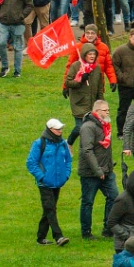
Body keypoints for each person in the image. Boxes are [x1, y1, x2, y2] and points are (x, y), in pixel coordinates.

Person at [26, 118, 72, 247]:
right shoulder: (39, 143)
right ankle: (58, 236)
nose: (60, 131)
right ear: (50, 129)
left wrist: (66, 175)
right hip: (45, 184)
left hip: (57, 182)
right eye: (58, 129)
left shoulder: (62, 144)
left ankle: (41, 237)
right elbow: (31, 163)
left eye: (61, 128)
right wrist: (42, 177)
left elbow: (68, 160)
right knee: (50, 209)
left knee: (48, 209)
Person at [78, 100, 117, 239]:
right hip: (90, 173)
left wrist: (109, 165)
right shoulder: (88, 127)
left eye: (108, 110)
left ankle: (108, 229)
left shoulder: (105, 126)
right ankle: (86, 232)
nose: (108, 112)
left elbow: (105, 149)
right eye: (105, 110)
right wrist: (98, 170)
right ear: (97, 111)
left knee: (114, 197)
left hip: (107, 171)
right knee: (88, 202)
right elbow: (87, 150)